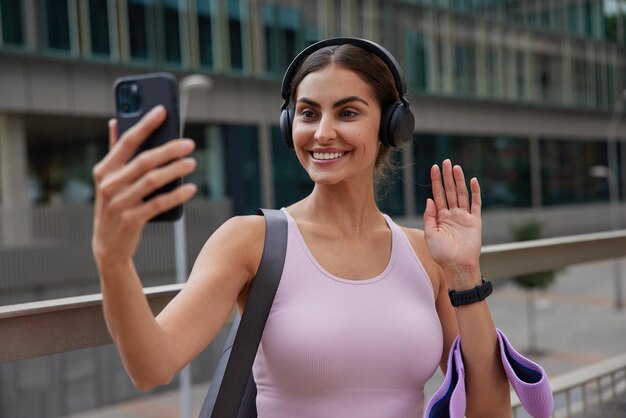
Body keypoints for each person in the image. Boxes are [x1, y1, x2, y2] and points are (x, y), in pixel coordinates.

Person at [92, 38, 512, 417]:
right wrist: (113, 259)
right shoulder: (250, 240)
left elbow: (489, 411)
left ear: (391, 126)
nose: (323, 133)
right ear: (288, 124)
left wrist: (464, 275)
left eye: (348, 112)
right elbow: (152, 366)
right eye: (308, 113)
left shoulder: (427, 253)